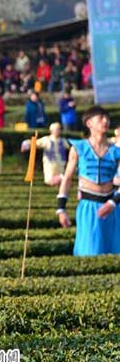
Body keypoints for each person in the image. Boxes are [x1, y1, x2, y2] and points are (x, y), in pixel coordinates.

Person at [56, 106, 120, 256]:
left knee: (114, 253)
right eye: (100, 118)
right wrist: (61, 209)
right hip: (89, 207)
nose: (105, 121)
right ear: (89, 123)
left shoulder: (116, 152)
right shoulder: (79, 148)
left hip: (113, 207)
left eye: (107, 118)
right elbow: (67, 179)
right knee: (89, 252)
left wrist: (113, 202)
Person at [22, 123, 70, 187]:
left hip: (60, 164)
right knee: (50, 180)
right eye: (56, 129)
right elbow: (36, 143)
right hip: (49, 165)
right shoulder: (46, 139)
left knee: (61, 181)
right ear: (51, 130)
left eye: (59, 129)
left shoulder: (63, 141)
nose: (58, 131)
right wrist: (27, 143)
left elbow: (70, 147)